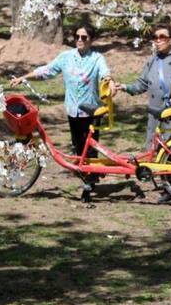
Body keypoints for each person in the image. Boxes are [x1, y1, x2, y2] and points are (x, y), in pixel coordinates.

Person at [10, 23, 115, 201]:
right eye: (77, 37)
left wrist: (110, 81)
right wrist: (24, 77)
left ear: (91, 40)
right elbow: (47, 70)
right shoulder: (66, 57)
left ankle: (89, 182)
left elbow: (105, 73)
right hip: (73, 110)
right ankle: (89, 175)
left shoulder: (97, 58)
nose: (80, 40)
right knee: (77, 146)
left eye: (84, 38)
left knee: (89, 148)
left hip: (91, 111)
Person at [114, 23, 171, 203]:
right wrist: (125, 87)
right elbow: (141, 84)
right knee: (160, 150)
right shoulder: (152, 61)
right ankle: (170, 189)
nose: (157, 41)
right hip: (156, 112)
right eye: (155, 37)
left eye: (162, 37)